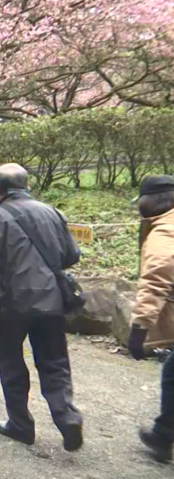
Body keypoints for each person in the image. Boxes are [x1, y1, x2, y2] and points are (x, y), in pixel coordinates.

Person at [0, 163, 83, 452]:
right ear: (28, 185)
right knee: (54, 361)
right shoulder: (52, 213)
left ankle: (20, 423)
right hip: (50, 301)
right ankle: (67, 417)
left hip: (10, 304)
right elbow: (71, 255)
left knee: (11, 362)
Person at [127, 175, 174, 462]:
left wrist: (139, 326)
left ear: (156, 200)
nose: (138, 207)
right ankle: (163, 433)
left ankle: (163, 434)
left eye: (141, 201)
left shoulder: (165, 231)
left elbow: (156, 278)